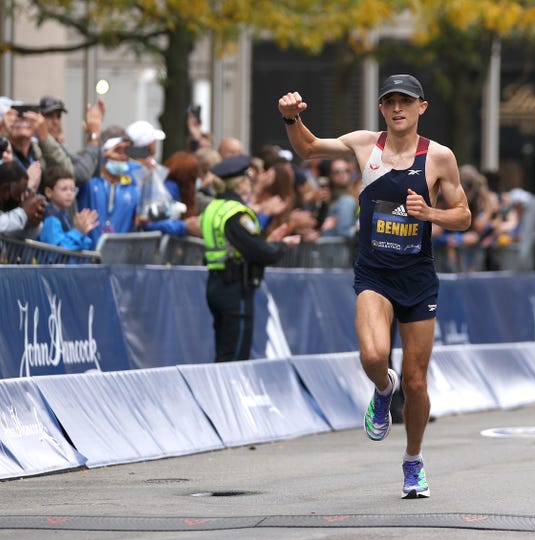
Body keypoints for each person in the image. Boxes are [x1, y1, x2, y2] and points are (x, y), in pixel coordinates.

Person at [279, 73, 472, 499]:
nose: (397, 108)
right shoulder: (365, 144)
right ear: (382, 108)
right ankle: (383, 390)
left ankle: (413, 461)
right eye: (390, 102)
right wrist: (291, 119)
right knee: (372, 355)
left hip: (418, 278)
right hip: (375, 274)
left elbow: (463, 215)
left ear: (422, 107)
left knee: (417, 381)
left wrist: (431, 215)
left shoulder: (439, 158)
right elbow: (309, 148)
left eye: (406, 101)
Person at [201, 154, 300, 362]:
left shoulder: (213, 207)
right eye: (248, 179)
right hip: (235, 287)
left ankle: (220, 393)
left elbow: (243, 244)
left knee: (223, 350)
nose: (250, 183)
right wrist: (281, 245)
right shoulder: (235, 213)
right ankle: (228, 395)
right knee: (235, 355)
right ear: (240, 183)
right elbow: (260, 252)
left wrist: (268, 242)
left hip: (216, 283)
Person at [38, 95, 105, 185]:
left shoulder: (58, 146)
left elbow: (92, 172)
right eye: (49, 116)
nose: (55, 122)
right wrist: (93, 136)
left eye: (58, 116)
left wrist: (93, 136)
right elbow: (80, 174)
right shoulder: (38, 145)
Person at [37, 165, 98, 251]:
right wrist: (78, 232)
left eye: (73, 190)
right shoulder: (50, 217)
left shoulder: (63, 215)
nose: (70, 194)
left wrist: (83, 234)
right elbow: (57, 251)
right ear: (49, 192)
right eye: (64, 189)